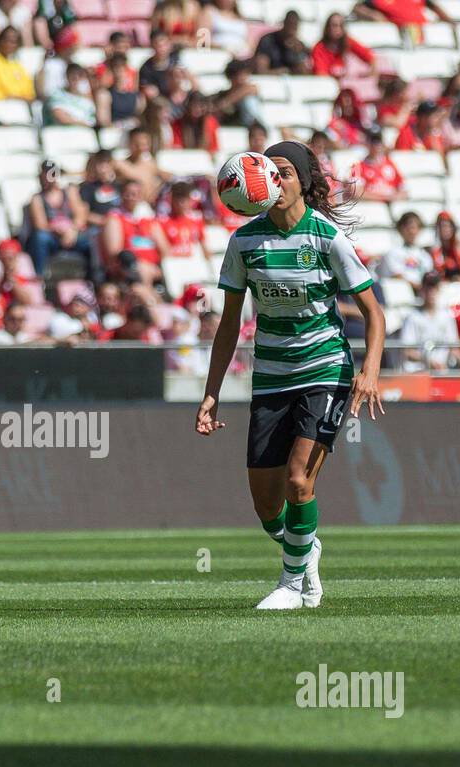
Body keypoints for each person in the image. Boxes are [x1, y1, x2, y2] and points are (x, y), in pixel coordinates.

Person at [197, 140, 387, 611]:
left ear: (304, 180)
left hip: (326, 368)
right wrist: (211, 393)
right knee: (266, 507)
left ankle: (291, 583)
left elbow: (373, 313)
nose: (275, 181)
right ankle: (305, 548)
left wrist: (369, 371)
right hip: (271, 377)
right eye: (269, 172)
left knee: (299, 482)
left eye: (284, 173)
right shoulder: (244, 241)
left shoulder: (326, 237)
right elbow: (229, 323)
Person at [399, 272, 460, 371]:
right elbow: (407, 351)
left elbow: (455, 348)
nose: (431, 292)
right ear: (422, 290)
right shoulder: (412, 317)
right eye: (428, 288)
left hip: (443, 372)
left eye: (435, 288)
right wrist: (429, 361)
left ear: (439, 290)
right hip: (418, 372)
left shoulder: (447, 316)